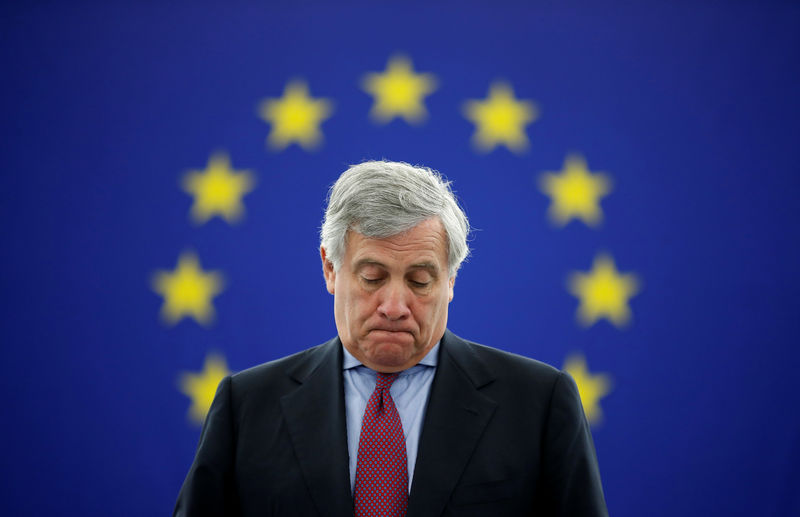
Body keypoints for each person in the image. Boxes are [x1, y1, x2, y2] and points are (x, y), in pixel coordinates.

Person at [174, 160, 608, 516]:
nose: (395, 305)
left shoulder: (539, 403)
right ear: (330, 268)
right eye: (372, 277)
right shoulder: (246, 405)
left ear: (451, 280)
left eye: (420, 280)